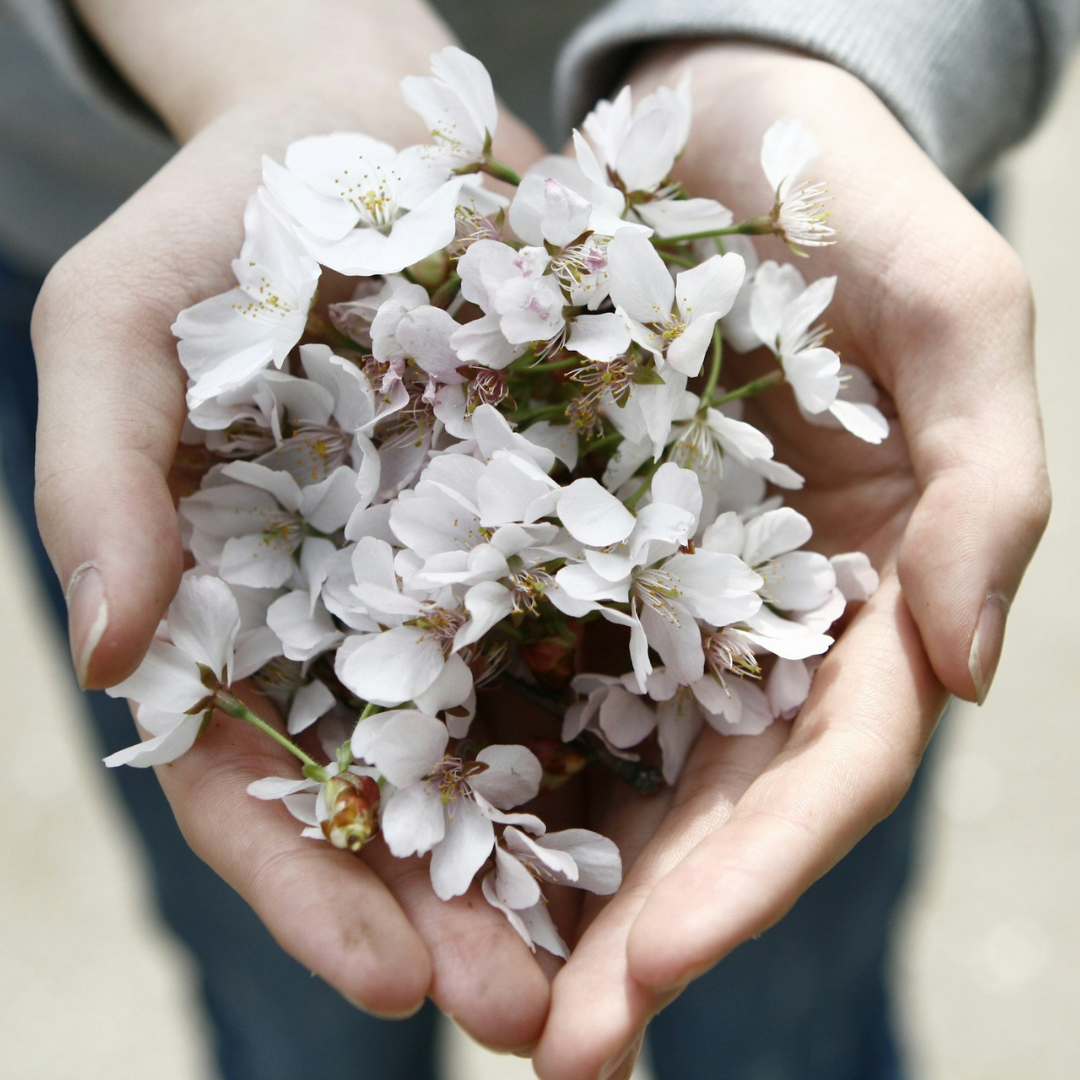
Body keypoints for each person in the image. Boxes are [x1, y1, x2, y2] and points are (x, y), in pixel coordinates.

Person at [0, 2, 1068, 1078]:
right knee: (292, 1004)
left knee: (788, 1008)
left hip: (822, 85)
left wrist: (829, 51)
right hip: (106, 174)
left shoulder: (688, 348)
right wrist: (284, 48)